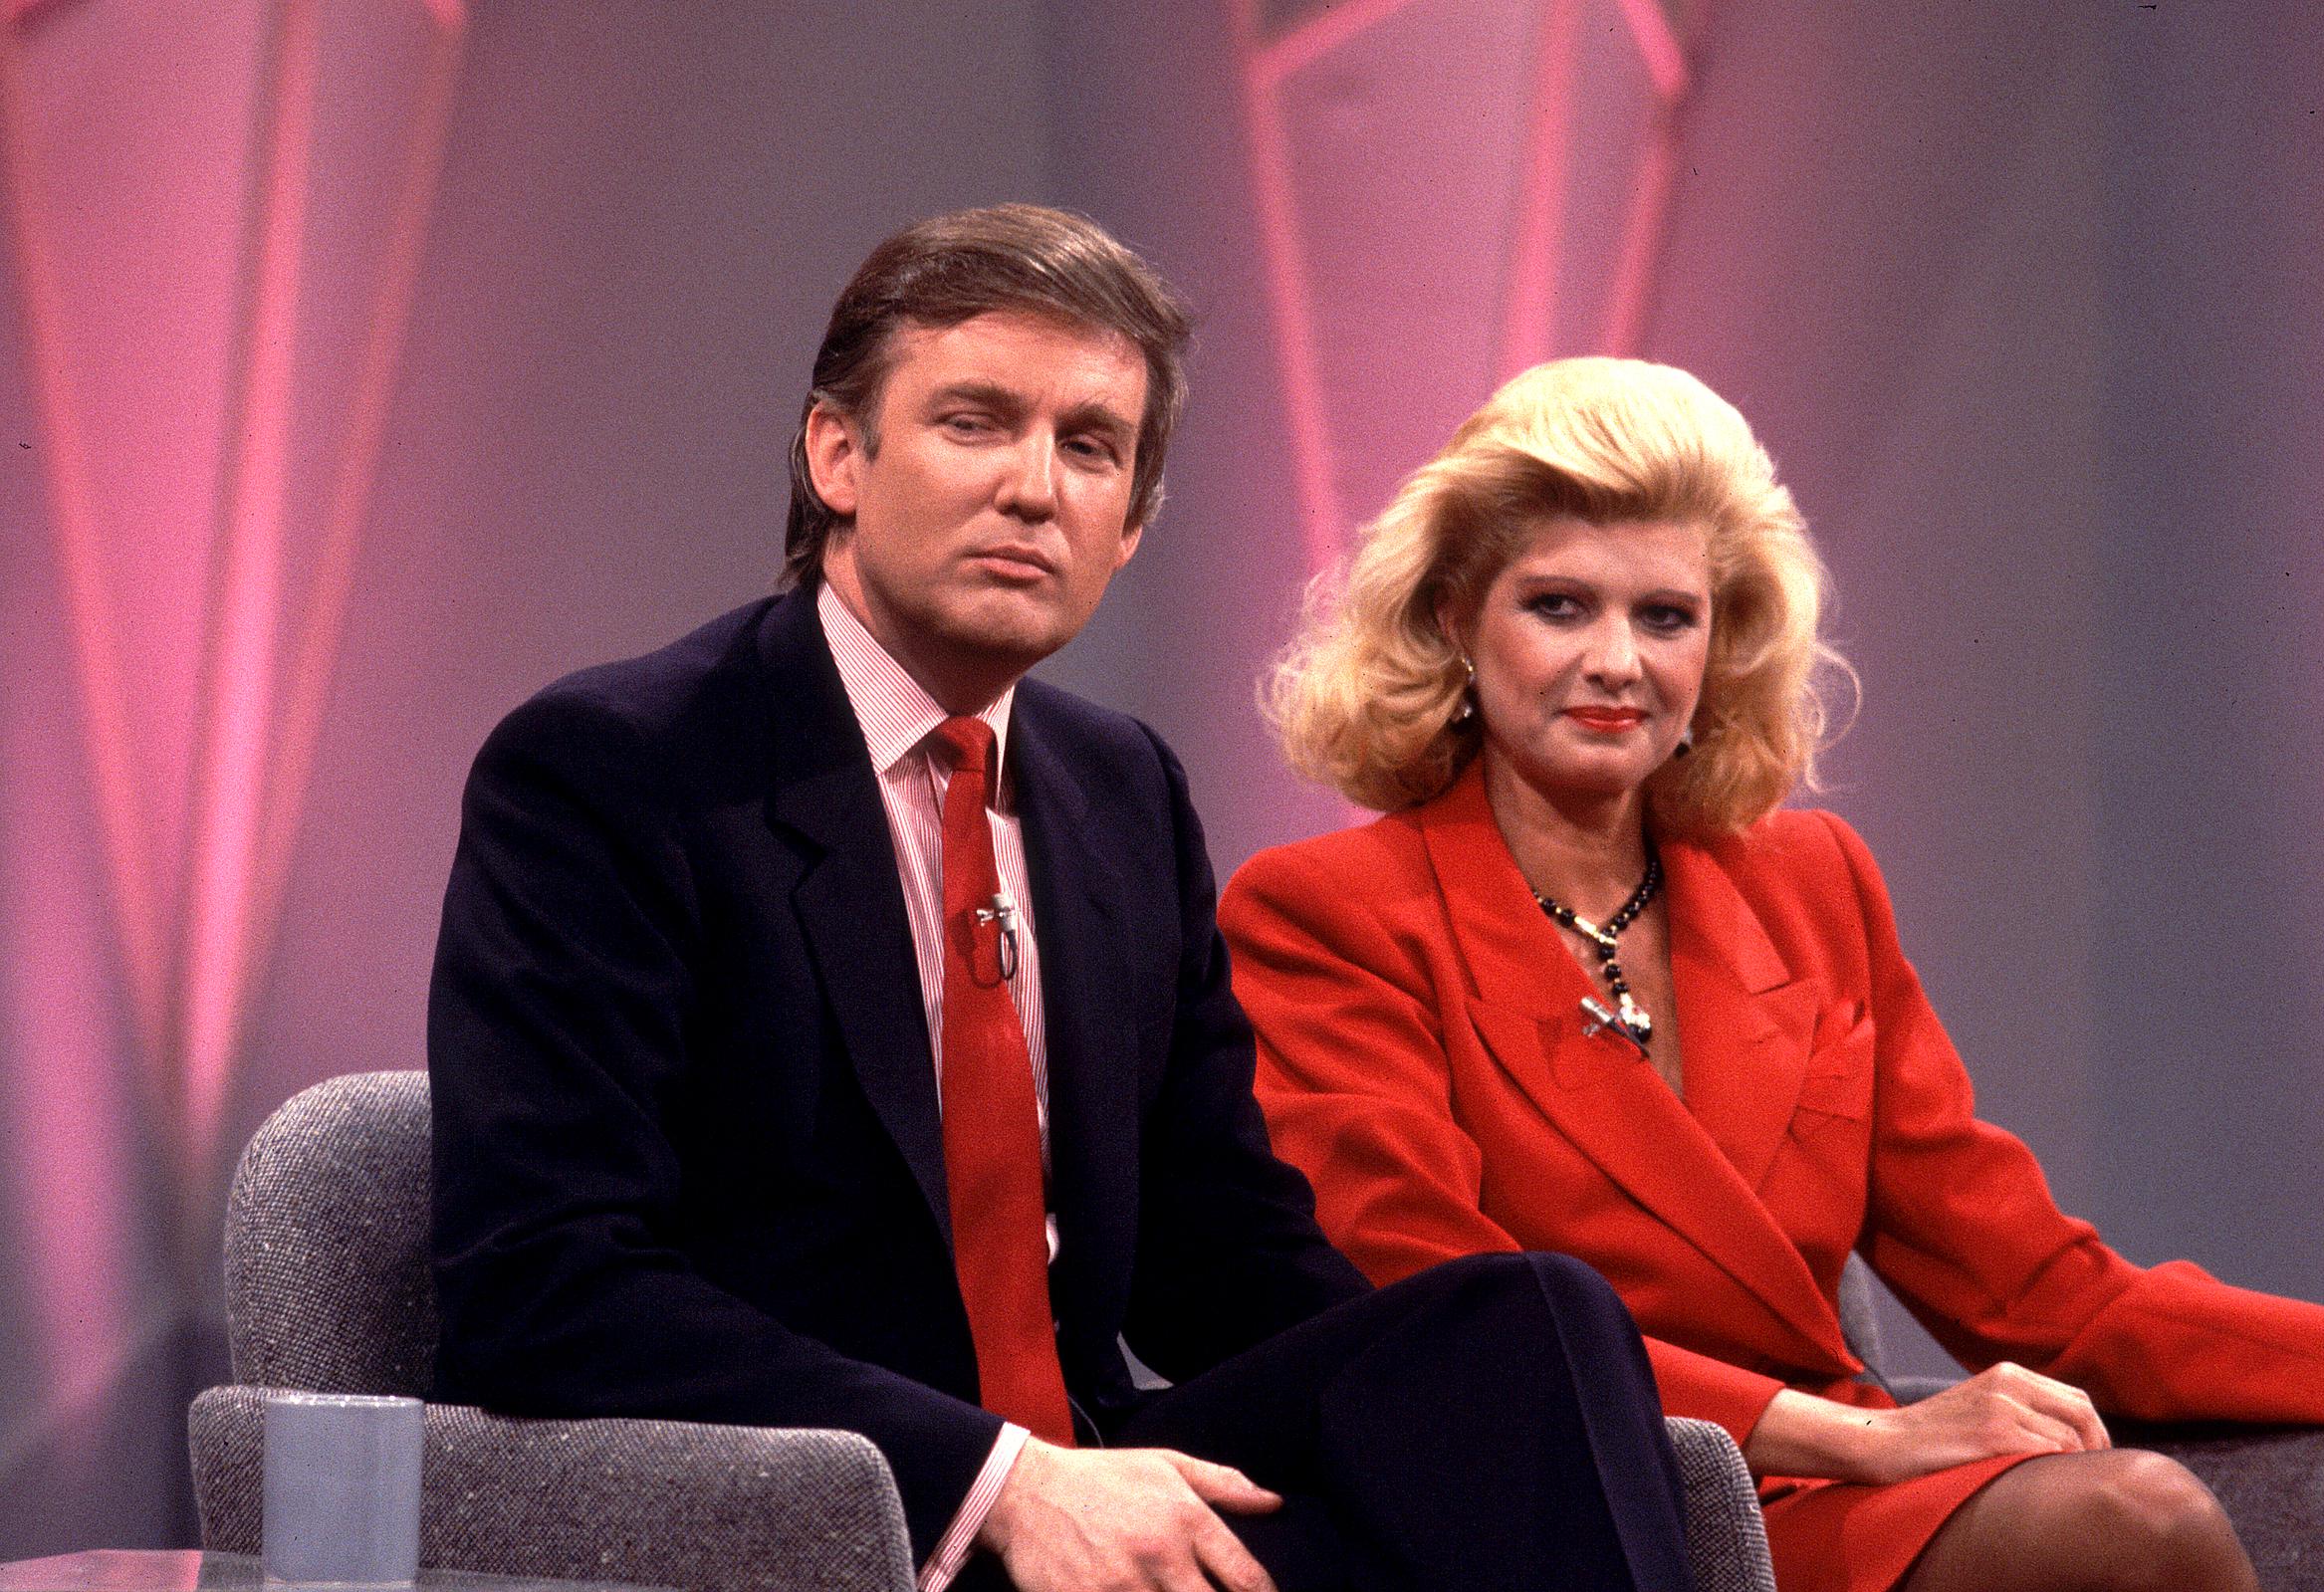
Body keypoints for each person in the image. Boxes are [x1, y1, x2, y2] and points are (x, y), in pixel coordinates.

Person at [427, 206, 1697, 1592]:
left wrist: (1417, 1424)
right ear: (836, 455)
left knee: (1530, 1327)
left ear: (1135, 520)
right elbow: (540, 1280)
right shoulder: (623, 768)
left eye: (1090, 446)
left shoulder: (1120, 787)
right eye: (976, 422)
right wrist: (999, 1478)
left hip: (1099, 1464)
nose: (1038, 488)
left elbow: (1222, 1251)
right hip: (843, 1510)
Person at [1218, 355, 2324, 1592]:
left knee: (2147, 1508)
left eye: (1666, 617)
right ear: (1456, 618)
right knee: (2135, 1523)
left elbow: (2034, 1285)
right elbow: (1452, 1310)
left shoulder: (1811, 880)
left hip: (1838, 1487)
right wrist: (1871, 1437)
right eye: (1559, 606)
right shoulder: (1326, 915)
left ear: (1721, 644)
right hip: (1590, 1504)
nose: (1618, 661)